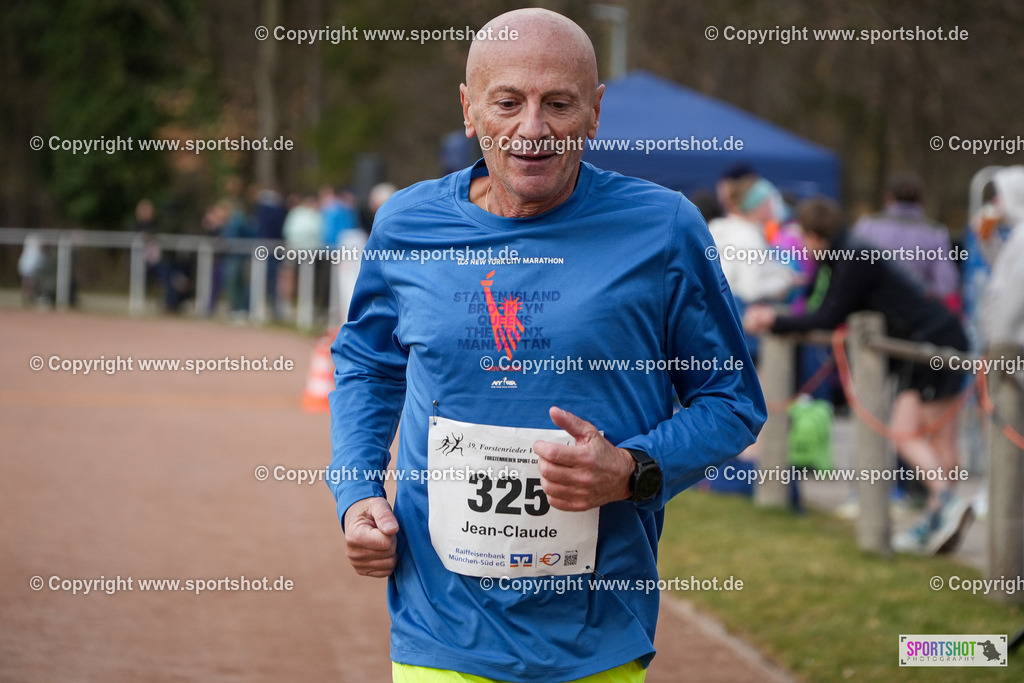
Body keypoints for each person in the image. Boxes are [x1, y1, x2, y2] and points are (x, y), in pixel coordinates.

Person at [327, 9, 766, 683]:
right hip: (439, 625)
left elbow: (731, 401)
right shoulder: (408, 223)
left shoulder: (663, 228)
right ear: (469, 110)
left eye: (558, 104)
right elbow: (368, 364)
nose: (532, 129)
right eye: (508, 102)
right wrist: (357, 490)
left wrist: (632, 469)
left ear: (595, 113)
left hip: (593, 635)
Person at [743, 197, 973, 556]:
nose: (803, 247)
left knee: (908, 433)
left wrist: (773, 320)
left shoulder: (851, 257)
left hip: (929, 345)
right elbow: (820, 306)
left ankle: (945, 501)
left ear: (815, 235)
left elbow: (827, 316)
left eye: (803, 238)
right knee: (939, 437)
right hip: (939, 337)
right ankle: (941, 514)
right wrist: (783, 317)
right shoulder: (845, 253)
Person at [853, 172, 961, 312]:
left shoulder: (867, 227)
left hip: (871, 309)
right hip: (917, 311)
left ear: (889, 197)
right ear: (921, 200)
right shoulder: (935, 233)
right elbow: (946, 284)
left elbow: (852, 272)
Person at [981, 166, 1024, 346]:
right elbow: (1003, 273)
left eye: (1000, 194)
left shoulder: (1021, 238)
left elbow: (1012, 294)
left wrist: (998, 340)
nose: (995, 201)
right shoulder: (1017, 234)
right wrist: (987, 241)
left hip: (1011, 341)